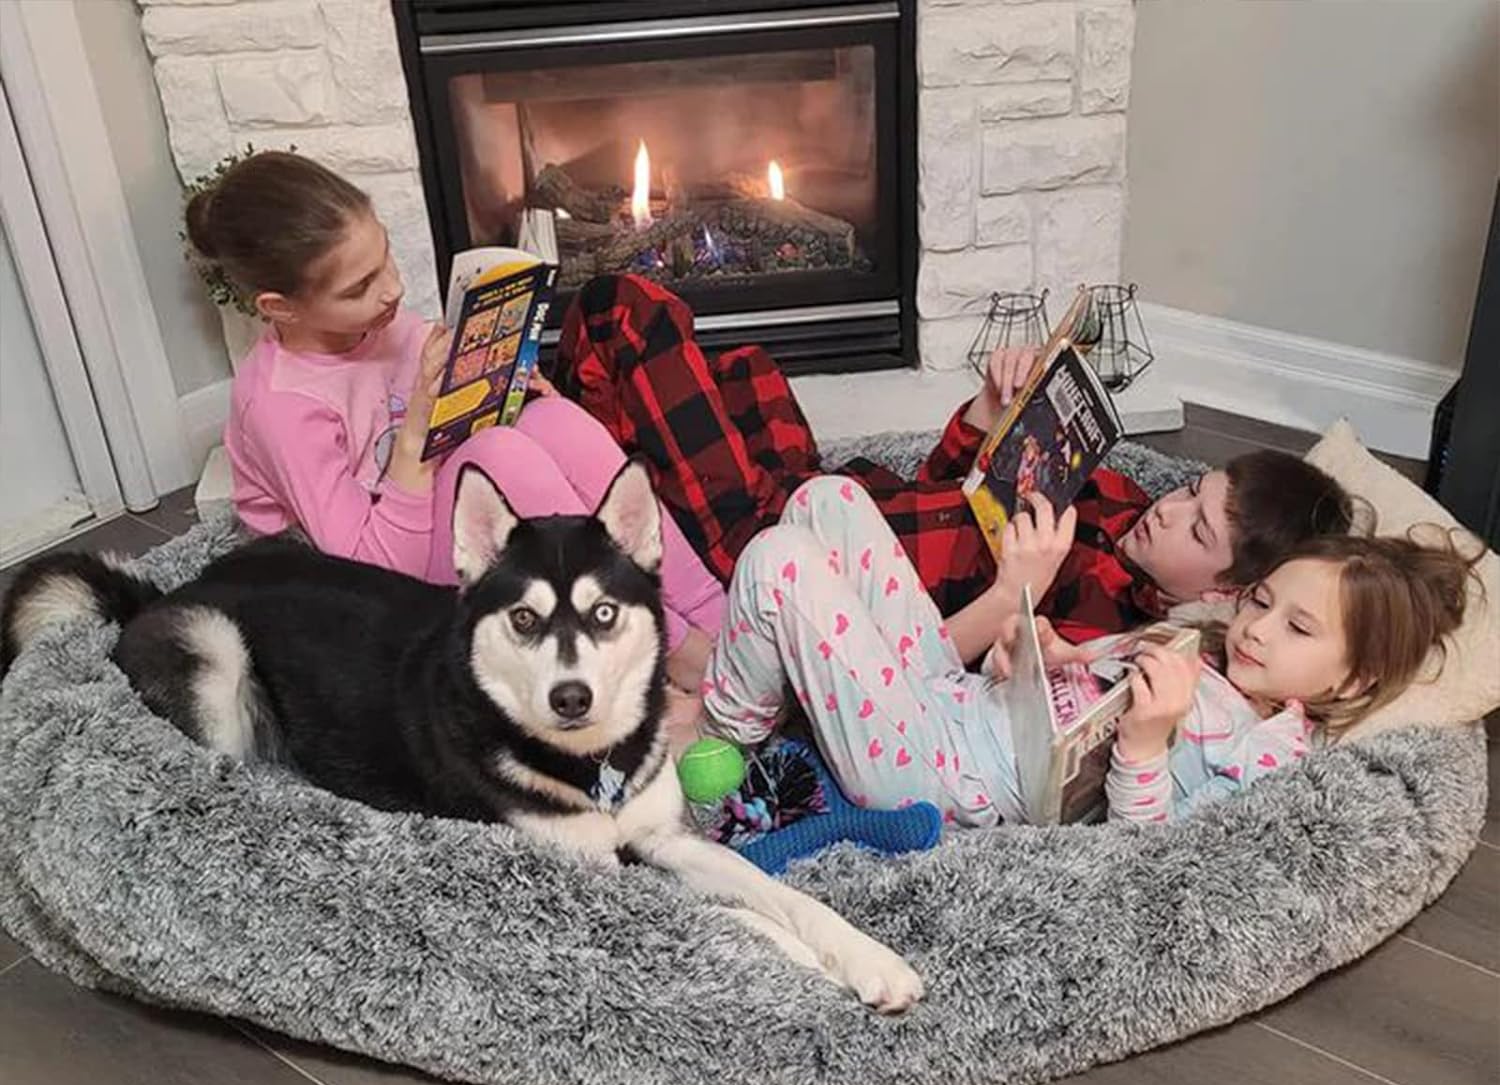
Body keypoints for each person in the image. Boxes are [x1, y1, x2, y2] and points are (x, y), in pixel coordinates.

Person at [551, 274, 1354, 652]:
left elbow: (934, 670)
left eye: (1199, 528)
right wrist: (988, 412)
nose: (1167, 506)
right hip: (828, 490)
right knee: (746, 370)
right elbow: (946, 483)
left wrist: (1019, 593)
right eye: (1188, 487)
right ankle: (613, 462)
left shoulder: (1103, 622)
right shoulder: (1110, 492)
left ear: (1219, 592)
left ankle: (572, 459)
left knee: (624, 309)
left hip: (772, 554)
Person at [184, 152, 723, 686]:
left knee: (556, 420)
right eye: (359, 287)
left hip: (433, 529)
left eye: (386, 259)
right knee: (494, 457)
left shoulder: (379, 326)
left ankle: (713, 614)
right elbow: (372, 570)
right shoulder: (282, 406)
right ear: (280, 308)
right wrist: (417, 431)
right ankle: (664, 643)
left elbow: (466, 416)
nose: (392, 289)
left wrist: (512, 387)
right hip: (370, 602)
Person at [696, 474, 1473, 827]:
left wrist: (1142, 745)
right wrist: (1036, 649)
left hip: (945, 774)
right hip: (956, 699)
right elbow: (1072, 668)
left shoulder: (1264, 749)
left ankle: (714, 753)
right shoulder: (1194, 639)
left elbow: (1154, 859)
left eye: (1298, 630)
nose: (1259, 630)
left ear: (1355, 677)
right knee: (823, 502)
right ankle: (768, 696)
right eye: (1263, 603)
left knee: (778, 561)